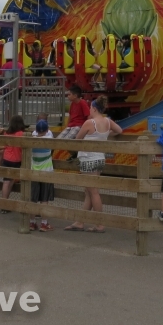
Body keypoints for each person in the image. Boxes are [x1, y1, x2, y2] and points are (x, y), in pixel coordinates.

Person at [65, 96, 121, 232]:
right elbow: (119, 130)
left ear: (94, 108)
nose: (89, 109)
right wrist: (106, 135)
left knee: (93, 191)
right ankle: (80, 221)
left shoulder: (89, 123)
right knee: (89, 191)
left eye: (90, 107)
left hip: (87, 158)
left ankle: (100, 224)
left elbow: (78, 139)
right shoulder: (108, 121)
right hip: (99, 158)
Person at [0, 115, 26, 212]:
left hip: (6, 158)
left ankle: (5, 204)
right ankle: (5, 204)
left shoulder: (7, 133)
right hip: (16, 159)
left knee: (7, 181)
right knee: (9, 182)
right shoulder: (21, 134)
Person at [29, 118, 55, 231]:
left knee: (33, 198)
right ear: (47, 129)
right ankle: (44, 223)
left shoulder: (32, 140)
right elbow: (48, 133)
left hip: (34, 171)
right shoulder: (49, 138)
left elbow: (35, 133)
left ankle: (32, 222)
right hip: (47, 171)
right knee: (45, 199)